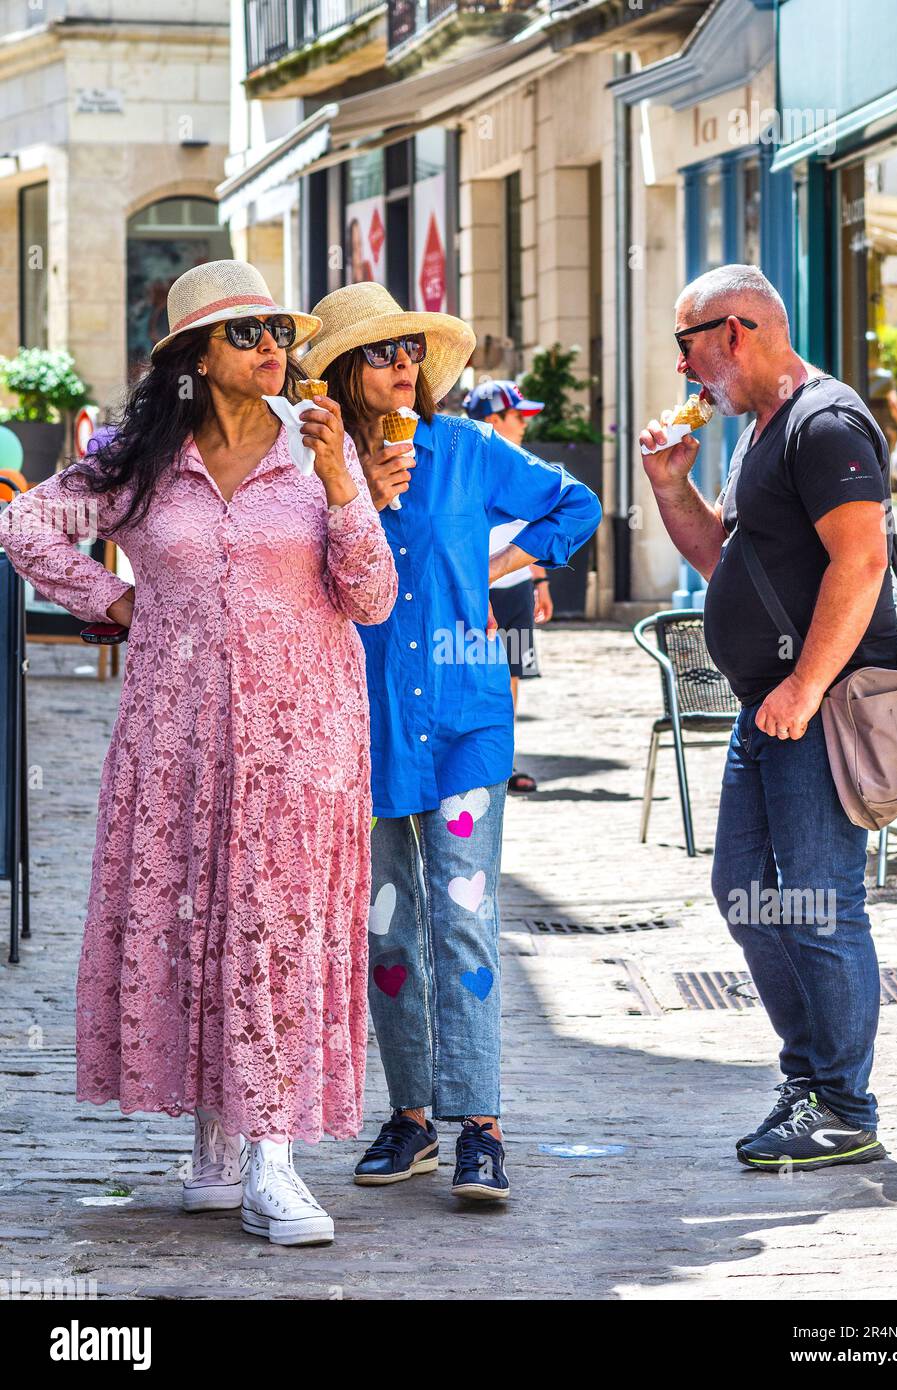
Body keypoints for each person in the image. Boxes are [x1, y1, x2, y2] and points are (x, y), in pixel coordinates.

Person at [0, 260, 398, 1243]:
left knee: (274, 928)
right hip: (176, 737)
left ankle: (273, 1159)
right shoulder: (138, 465)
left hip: (300, 739)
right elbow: (25, 523)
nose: (275, 347)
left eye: (277, 331)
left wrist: (346, 482)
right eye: (249, 332)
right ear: (192, 357)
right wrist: (115, 602)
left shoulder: (315, 455)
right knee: (205, 921)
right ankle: (218, 1153)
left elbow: (374, 596)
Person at [300, 283, 601, 1201]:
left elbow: (574, 505)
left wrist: (500, 564)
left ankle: (482, 1126)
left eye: (409, 354)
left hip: (467, 717)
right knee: (387, 929)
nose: (401, 368)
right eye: (382, 353)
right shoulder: (311, 467)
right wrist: (349, 500)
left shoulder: (466, 451)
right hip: (364, 724)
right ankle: (412, 1117)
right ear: (348, 371)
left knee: (463, 920)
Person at [641, 264, 897, 1171]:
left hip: (817, 710)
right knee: (745, 892)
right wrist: (672, 488)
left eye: (687, 345)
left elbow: (860, 563)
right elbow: (728, 562)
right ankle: (811, 1080)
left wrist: (802, 688)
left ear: (736, 330)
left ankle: (842, 1104)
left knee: (819, 904)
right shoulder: (761, 429)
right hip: (773, 713)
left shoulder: (824, 422)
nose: (683, 370)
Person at [463, 379, 553, 794]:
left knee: (511, 674)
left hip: (515, 586)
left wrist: (541, 581)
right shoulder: (463, 462)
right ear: (494, 419)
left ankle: (503, 761)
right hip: (471, 587)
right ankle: (467, 760)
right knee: (465, 672)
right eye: (519, 417)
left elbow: (533, 527)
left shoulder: (523, 463)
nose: (524, 425)